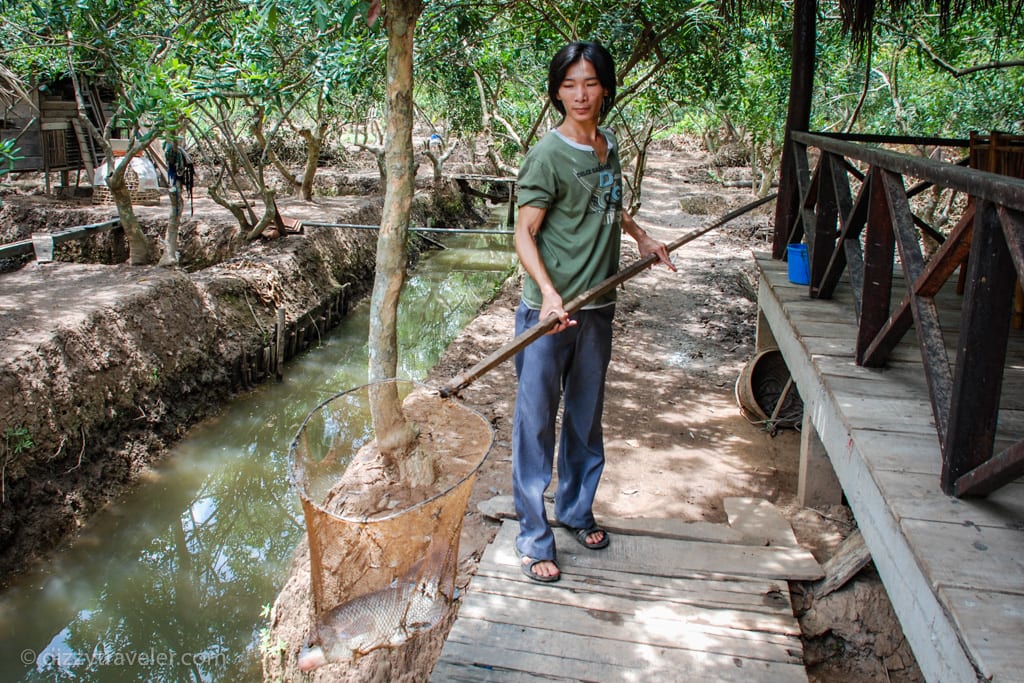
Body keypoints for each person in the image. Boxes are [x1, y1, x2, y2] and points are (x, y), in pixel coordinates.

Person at [512, 41, 676, 583]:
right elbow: (524, 233)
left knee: (585, 419)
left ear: (605, 88)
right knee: (536, 427)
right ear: (557, 92)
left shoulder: (608, 147)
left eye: (589, 83)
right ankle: (534, 537)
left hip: (598, 308)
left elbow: (609, 203)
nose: (580, 95)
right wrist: (548, 293)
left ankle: (576, 512)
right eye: (568, 85)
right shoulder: (547, 155)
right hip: (549, 316)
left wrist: (642, 237)